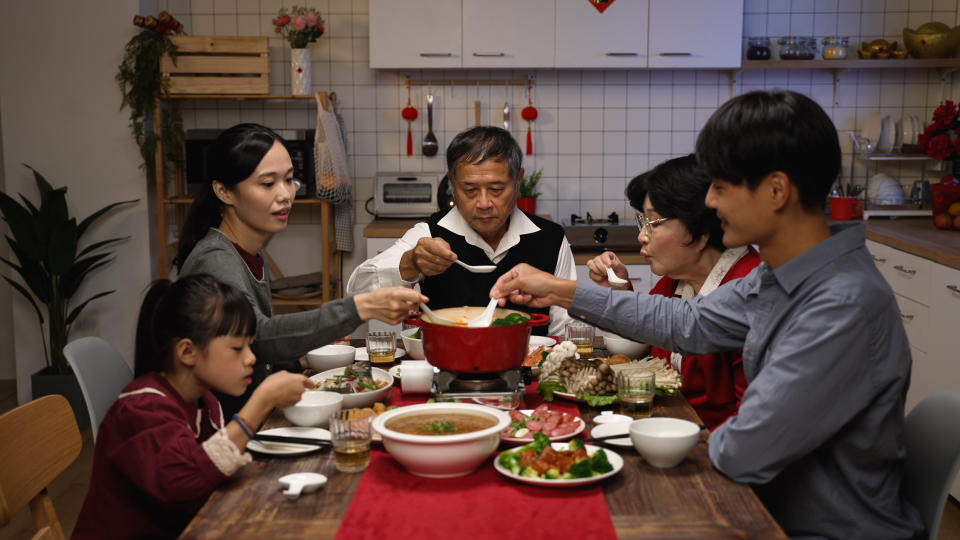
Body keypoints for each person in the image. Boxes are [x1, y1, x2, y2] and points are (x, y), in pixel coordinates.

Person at [490, 90, 923, 539]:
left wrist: (637, 439)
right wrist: (560, 290)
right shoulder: (784, 274)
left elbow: (745, 449)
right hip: (761, 502)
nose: (710, 203)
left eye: (721, 186)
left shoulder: (840, 303)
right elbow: (687, 323)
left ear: (776, 191)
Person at [175, 123, 426, 417]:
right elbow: (260, 337)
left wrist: (301, 359)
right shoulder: (216, 260)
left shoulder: (248, 252)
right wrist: (361, 306)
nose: (285, 195)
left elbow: (255, 354)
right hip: (224, 425)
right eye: (268, 184)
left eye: (289, 180)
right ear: (224, 191)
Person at [72, 275, 312, 539]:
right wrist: (261, 402)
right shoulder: (141, 410)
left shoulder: (204, 401)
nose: (251, 358)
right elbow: (186, 484)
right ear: (187, 352)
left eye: (250, 345)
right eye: (237, 348)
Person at [346, 126, 576, 337]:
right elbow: (357, 294)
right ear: (452, 184)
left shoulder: (550, 239)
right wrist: (410, 264)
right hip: (444, 366)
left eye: (496, 189)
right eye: (470, 190)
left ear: (518, 180)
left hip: (528, 368)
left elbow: (565, 328)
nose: (484, 203)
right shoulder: (429, 234)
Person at [587, 155, 760, 430]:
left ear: (701, 231)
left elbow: (752, 424)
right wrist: (619, 290)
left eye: (653, 222)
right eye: (642, 221)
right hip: (666, 429)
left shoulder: (749, 290)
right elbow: (643, 347)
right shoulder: (677, 279)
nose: (642, 236)